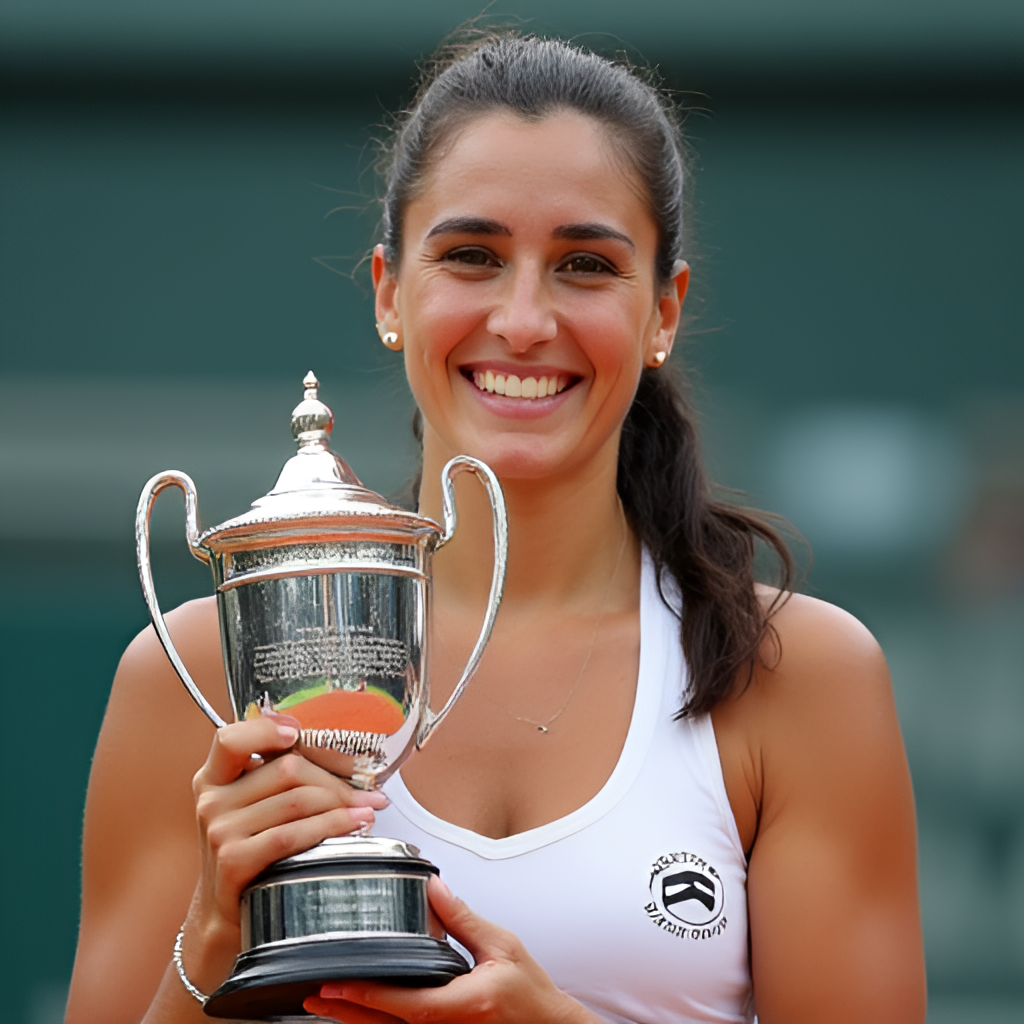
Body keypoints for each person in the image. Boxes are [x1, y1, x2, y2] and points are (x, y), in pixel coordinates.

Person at [67, 33, 926, 1024]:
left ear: (663, 311)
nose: (523, 320)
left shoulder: (800, 675)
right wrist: (214, 937)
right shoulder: (193, 676)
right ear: (390, 292)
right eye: (471, 255)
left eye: (584, 264)